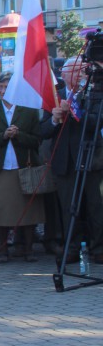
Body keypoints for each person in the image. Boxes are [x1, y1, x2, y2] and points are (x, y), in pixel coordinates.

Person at [0, 73, 44, 262]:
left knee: (28, 211)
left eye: (7, 87)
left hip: (23, 167)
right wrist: (3, 136)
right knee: (0, 211)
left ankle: (28, 249)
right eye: (1, 87)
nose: (3, 91)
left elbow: (37, 139)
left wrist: (19, 135)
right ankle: (3, 249)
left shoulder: (29, 110)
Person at [42, 59, 103, 264]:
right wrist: (54, 118)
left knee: (96, 206)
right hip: (64, 161)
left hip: (91, 159)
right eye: (74, 71)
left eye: (82, 70)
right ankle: (71, 247)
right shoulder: (54, 96)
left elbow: (96, 121)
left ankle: (98, 248)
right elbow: (41, 130)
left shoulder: (94, 94)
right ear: (64, 73)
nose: (79, 74)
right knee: (69, 208)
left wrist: (75, 111)